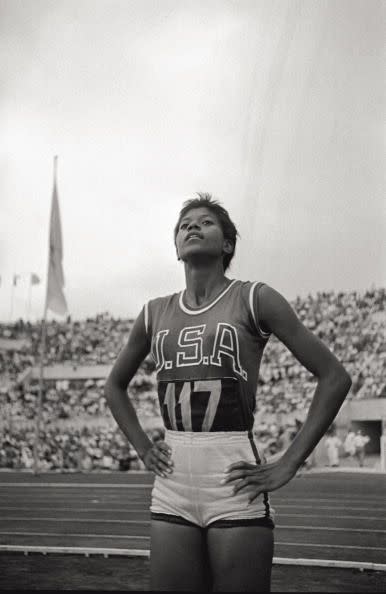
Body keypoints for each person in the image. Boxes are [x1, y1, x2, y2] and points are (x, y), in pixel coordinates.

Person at [105, 194, 352, 592]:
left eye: (205, 222)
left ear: (227, 245)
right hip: (172, 483)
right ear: (176, 248)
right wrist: (143, 447)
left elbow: (335, 377)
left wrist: (290, 462)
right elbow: (114, 387)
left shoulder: (255, 298)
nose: (192, 227)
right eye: (184, 224)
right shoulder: (153, 312)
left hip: (234, 479)